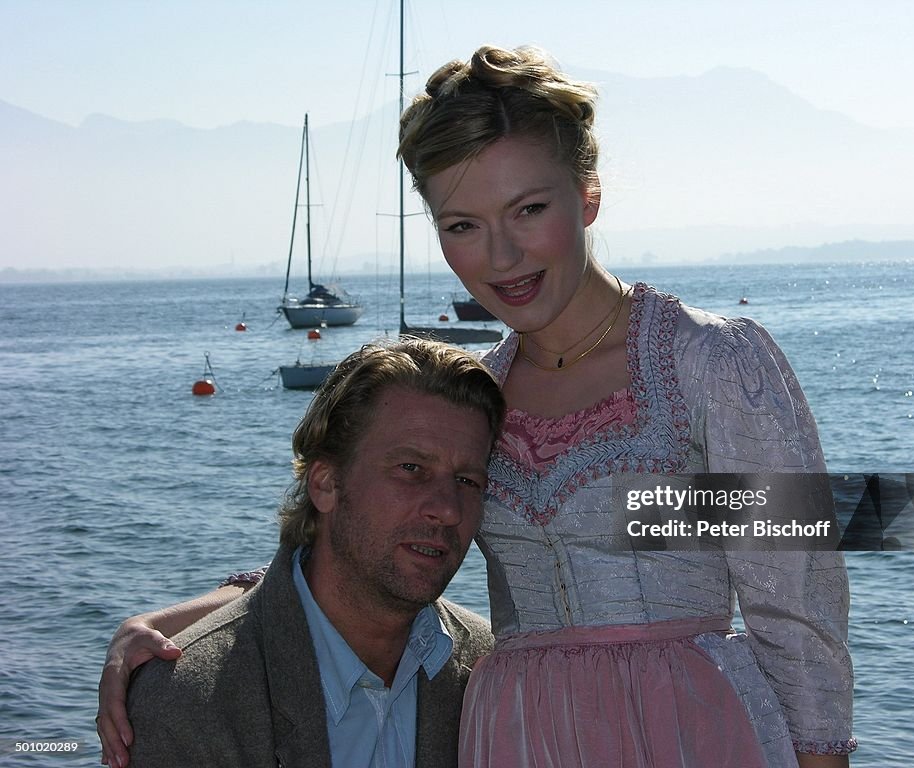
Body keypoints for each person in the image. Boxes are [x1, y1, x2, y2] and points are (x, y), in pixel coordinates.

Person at [100, 46, 856, 768]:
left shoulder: (710, 366)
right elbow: (372, 546)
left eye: (529, 209)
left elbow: (801, 618)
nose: (500, 257)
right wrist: (179, 625)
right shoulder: (475, 396)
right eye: (462, 225)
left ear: (588, 194)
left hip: (690, 732)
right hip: (513, 737)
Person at [114, 339, 503, 768]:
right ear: (324, 484)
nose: (447, 509)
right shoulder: (186, 702)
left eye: (468, 481)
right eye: (411, 469)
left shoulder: (491, 674)